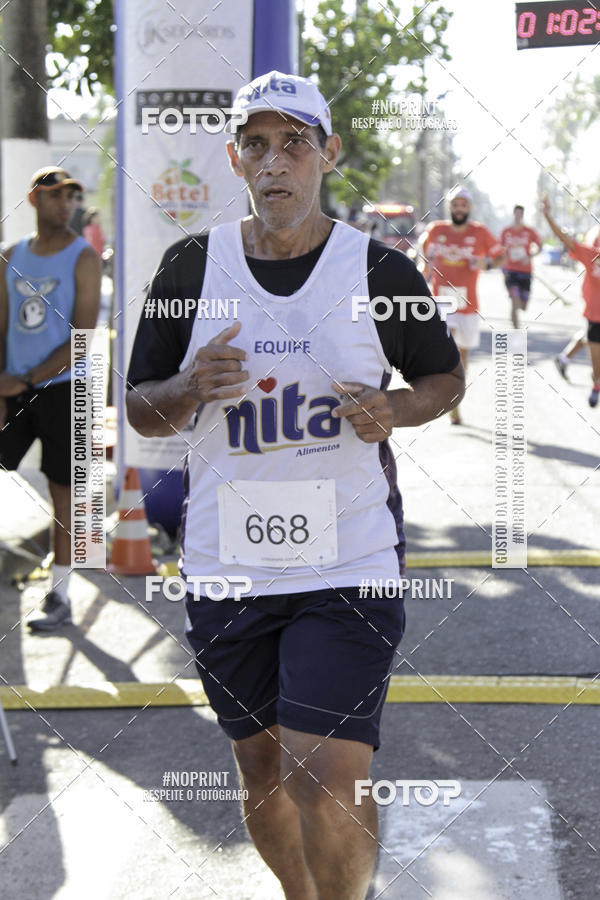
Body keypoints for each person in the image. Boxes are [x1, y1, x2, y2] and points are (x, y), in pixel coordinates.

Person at [126, 70, 464, 900]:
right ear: (234, 160)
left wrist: (395, 408)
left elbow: (444, 379)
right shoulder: (190, 268)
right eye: (257, 145)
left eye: (295, 143)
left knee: (324, 772)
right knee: (262, 767)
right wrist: (187, 388)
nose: (275, 161)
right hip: (227, 564)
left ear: (328, 153)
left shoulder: (380, 269)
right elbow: (138, 408)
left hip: (348, 555)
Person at [0, 166, 102, 630]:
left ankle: (59, 597)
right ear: (35, 199)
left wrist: (26, 379)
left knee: (66, 494)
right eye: (56, 195)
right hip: (13, 386)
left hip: (67, 388)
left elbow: (83, 338)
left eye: (71, 197)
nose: (66, 204)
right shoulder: (11, 256)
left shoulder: (84, 256)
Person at [419, 186, 505, 424]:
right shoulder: (436, 229)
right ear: (450, 207)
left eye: (463, 205)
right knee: (448, 345)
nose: (459, 209)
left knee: (462, 356)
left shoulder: (480, 232)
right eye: (455, 205)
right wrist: (423, 265)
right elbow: (424, 247)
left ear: (469, 208)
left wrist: (486, 263)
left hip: (468, 304)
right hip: (442, 300)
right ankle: (438, 395)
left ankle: (455, 401)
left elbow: (501, 256)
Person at [542, 195, 600, 407]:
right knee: (596, 364)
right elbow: (564, 238)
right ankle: (596, 385)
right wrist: (547, 215)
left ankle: (564, 358)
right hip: (595, 315)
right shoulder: (591, 255)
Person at [500, 204, 541, 328]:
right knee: (514, 301)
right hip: (510, 271)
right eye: (516, 213)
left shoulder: (529, 231)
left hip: (525, 271)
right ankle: (516, 331)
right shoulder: (506, 231)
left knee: (523, 305)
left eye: (520, 214)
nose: (518, 216)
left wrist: (530, 256)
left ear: (522, 215)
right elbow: (499, 248)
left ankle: (521, 304)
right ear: (513, 214)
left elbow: (540, 246)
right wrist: (502, 263)